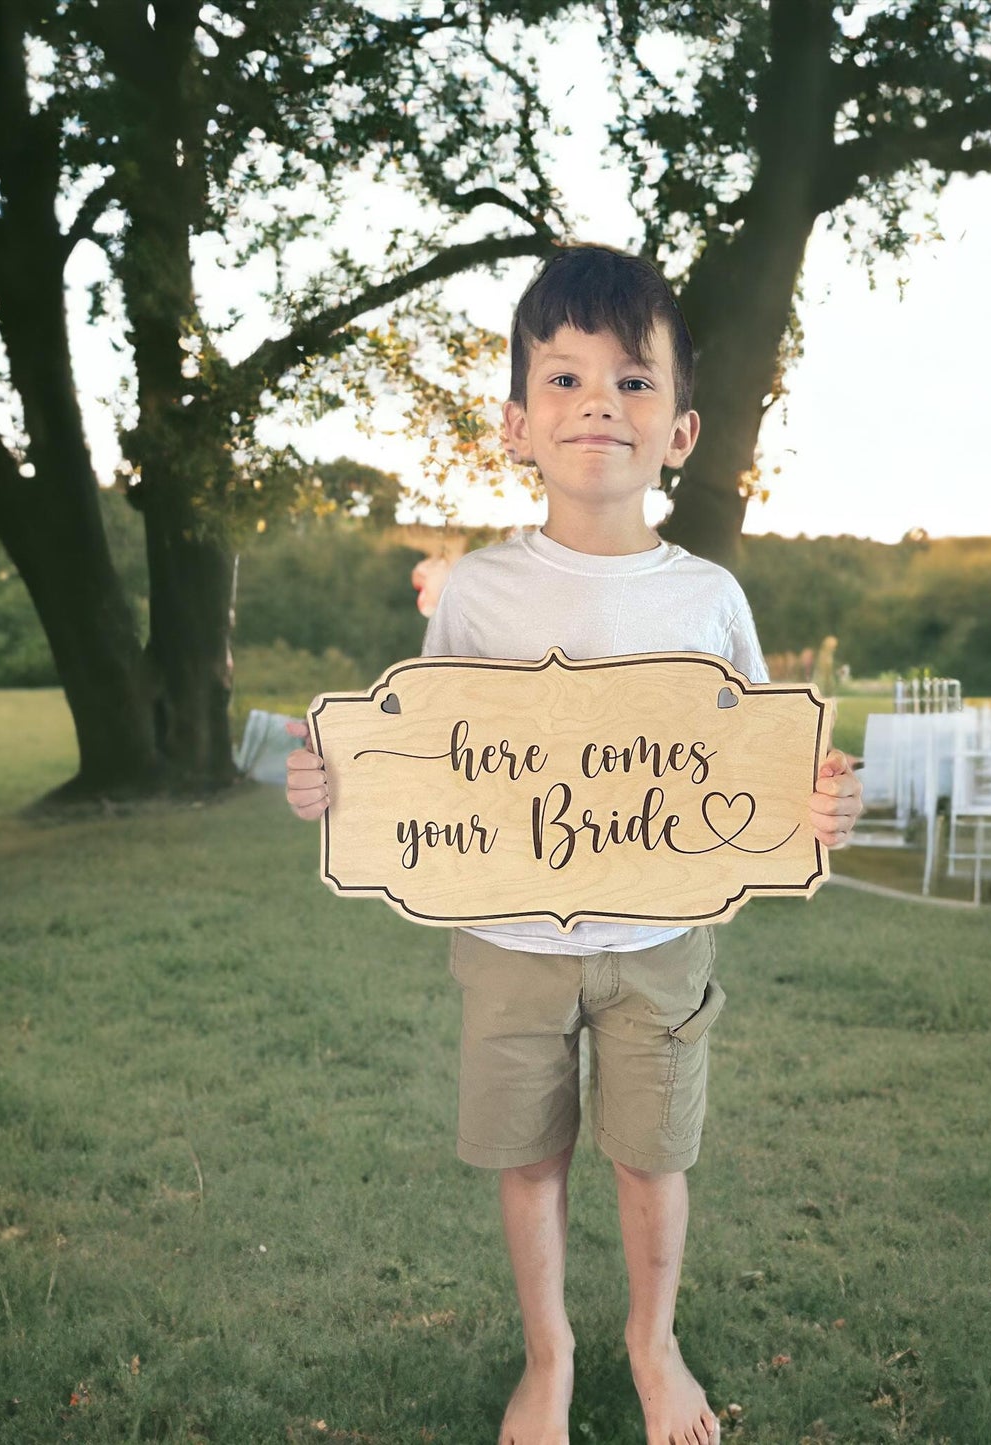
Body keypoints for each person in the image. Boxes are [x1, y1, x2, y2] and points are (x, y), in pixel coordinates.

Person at [286, 245, 864, 1445]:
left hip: (659, 937)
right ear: (513, 423)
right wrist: (332, 785)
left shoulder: (706, 597)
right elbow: (418, 753)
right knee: (529, 1150)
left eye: (633, 381)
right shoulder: (480, 595)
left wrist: (817, 807)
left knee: (651, 1156)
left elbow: (756, 758)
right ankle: (545, 1355)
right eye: (563, 378)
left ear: (682, 431)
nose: (598, 400)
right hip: (507, 940)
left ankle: (651, 1345)